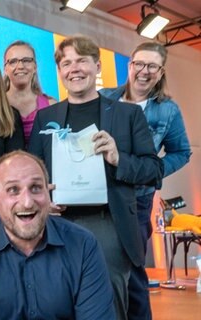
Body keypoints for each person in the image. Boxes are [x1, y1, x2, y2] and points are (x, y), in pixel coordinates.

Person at [29, 36, 164, 320]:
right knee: (58, 301)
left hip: (109, 224)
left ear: (97, 66)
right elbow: (33, 171)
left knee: (108, 303)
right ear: (60, 71)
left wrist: (118, 158)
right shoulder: (46, 116)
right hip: (58, 223)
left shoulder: (128, 115)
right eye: (67, 63)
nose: (74, 69)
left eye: (82, 61)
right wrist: (43, 200)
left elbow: (153, 170)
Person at [0, 150, 115, 319]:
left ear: (48, 192)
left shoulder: (83, 245)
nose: (27, 202)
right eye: (13, 190)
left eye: (35, 188)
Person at [101, 41, 191, 320]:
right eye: (139, 63)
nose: (144, 71)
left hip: (137, 200)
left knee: (133, 272)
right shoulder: (104, 98)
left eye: (152, 66)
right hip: (100, 196)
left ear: (161, 71)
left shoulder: (167, 110)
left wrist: (154, 170)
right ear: (129, 66)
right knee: (101, 269)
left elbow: (182, 152)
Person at [3, 40, 57, 146]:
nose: (20, 66)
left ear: (35, 67)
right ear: (6, 69)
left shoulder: (51, 106)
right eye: (13, 61)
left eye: (26, 60)